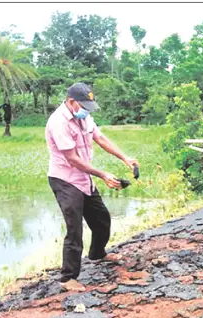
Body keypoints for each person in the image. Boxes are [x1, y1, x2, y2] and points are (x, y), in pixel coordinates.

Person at [45, 82, 139, 285]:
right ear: (72, 102)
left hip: (84, 178)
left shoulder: (84, 117)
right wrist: (102, 174)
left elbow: (100, 138)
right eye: (84, 107)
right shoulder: (58, 123)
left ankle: (97, 254)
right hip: (65, 179)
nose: (87, 111)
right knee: (74, 228)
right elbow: (72, 159)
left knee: (102, 219)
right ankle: (68, 278)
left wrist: (125, 158)